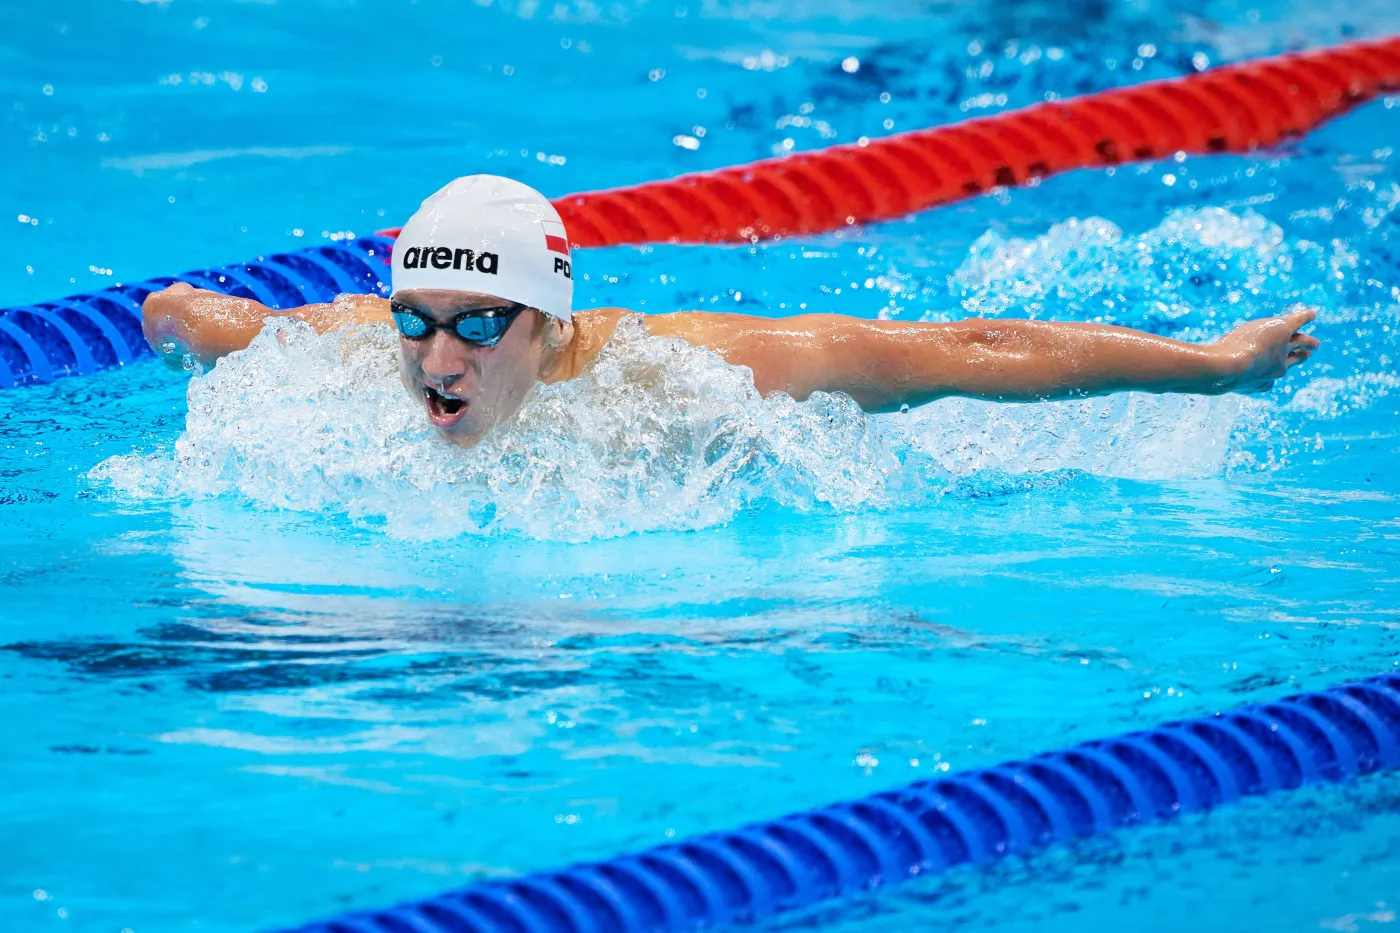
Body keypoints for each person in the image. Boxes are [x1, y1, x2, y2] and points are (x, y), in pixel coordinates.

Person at [142, 174, 1320, 448]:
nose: (434, 358)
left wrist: (1213, 366)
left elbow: (965, 348)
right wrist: (174, 322)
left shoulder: (683, 373)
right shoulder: (365, 352)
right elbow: (206, 318)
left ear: (549, 323)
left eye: (479, 324)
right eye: (418, 320)